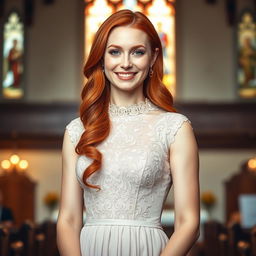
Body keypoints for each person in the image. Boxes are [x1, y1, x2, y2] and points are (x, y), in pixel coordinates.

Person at [57, 9, 200, 256]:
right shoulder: (77, 130)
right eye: (115, 51)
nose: (125, 63)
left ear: (153, 57)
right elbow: (68, 219)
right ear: (101, 58)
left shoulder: (175, 128)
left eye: (137, 52)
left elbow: (189, 223)